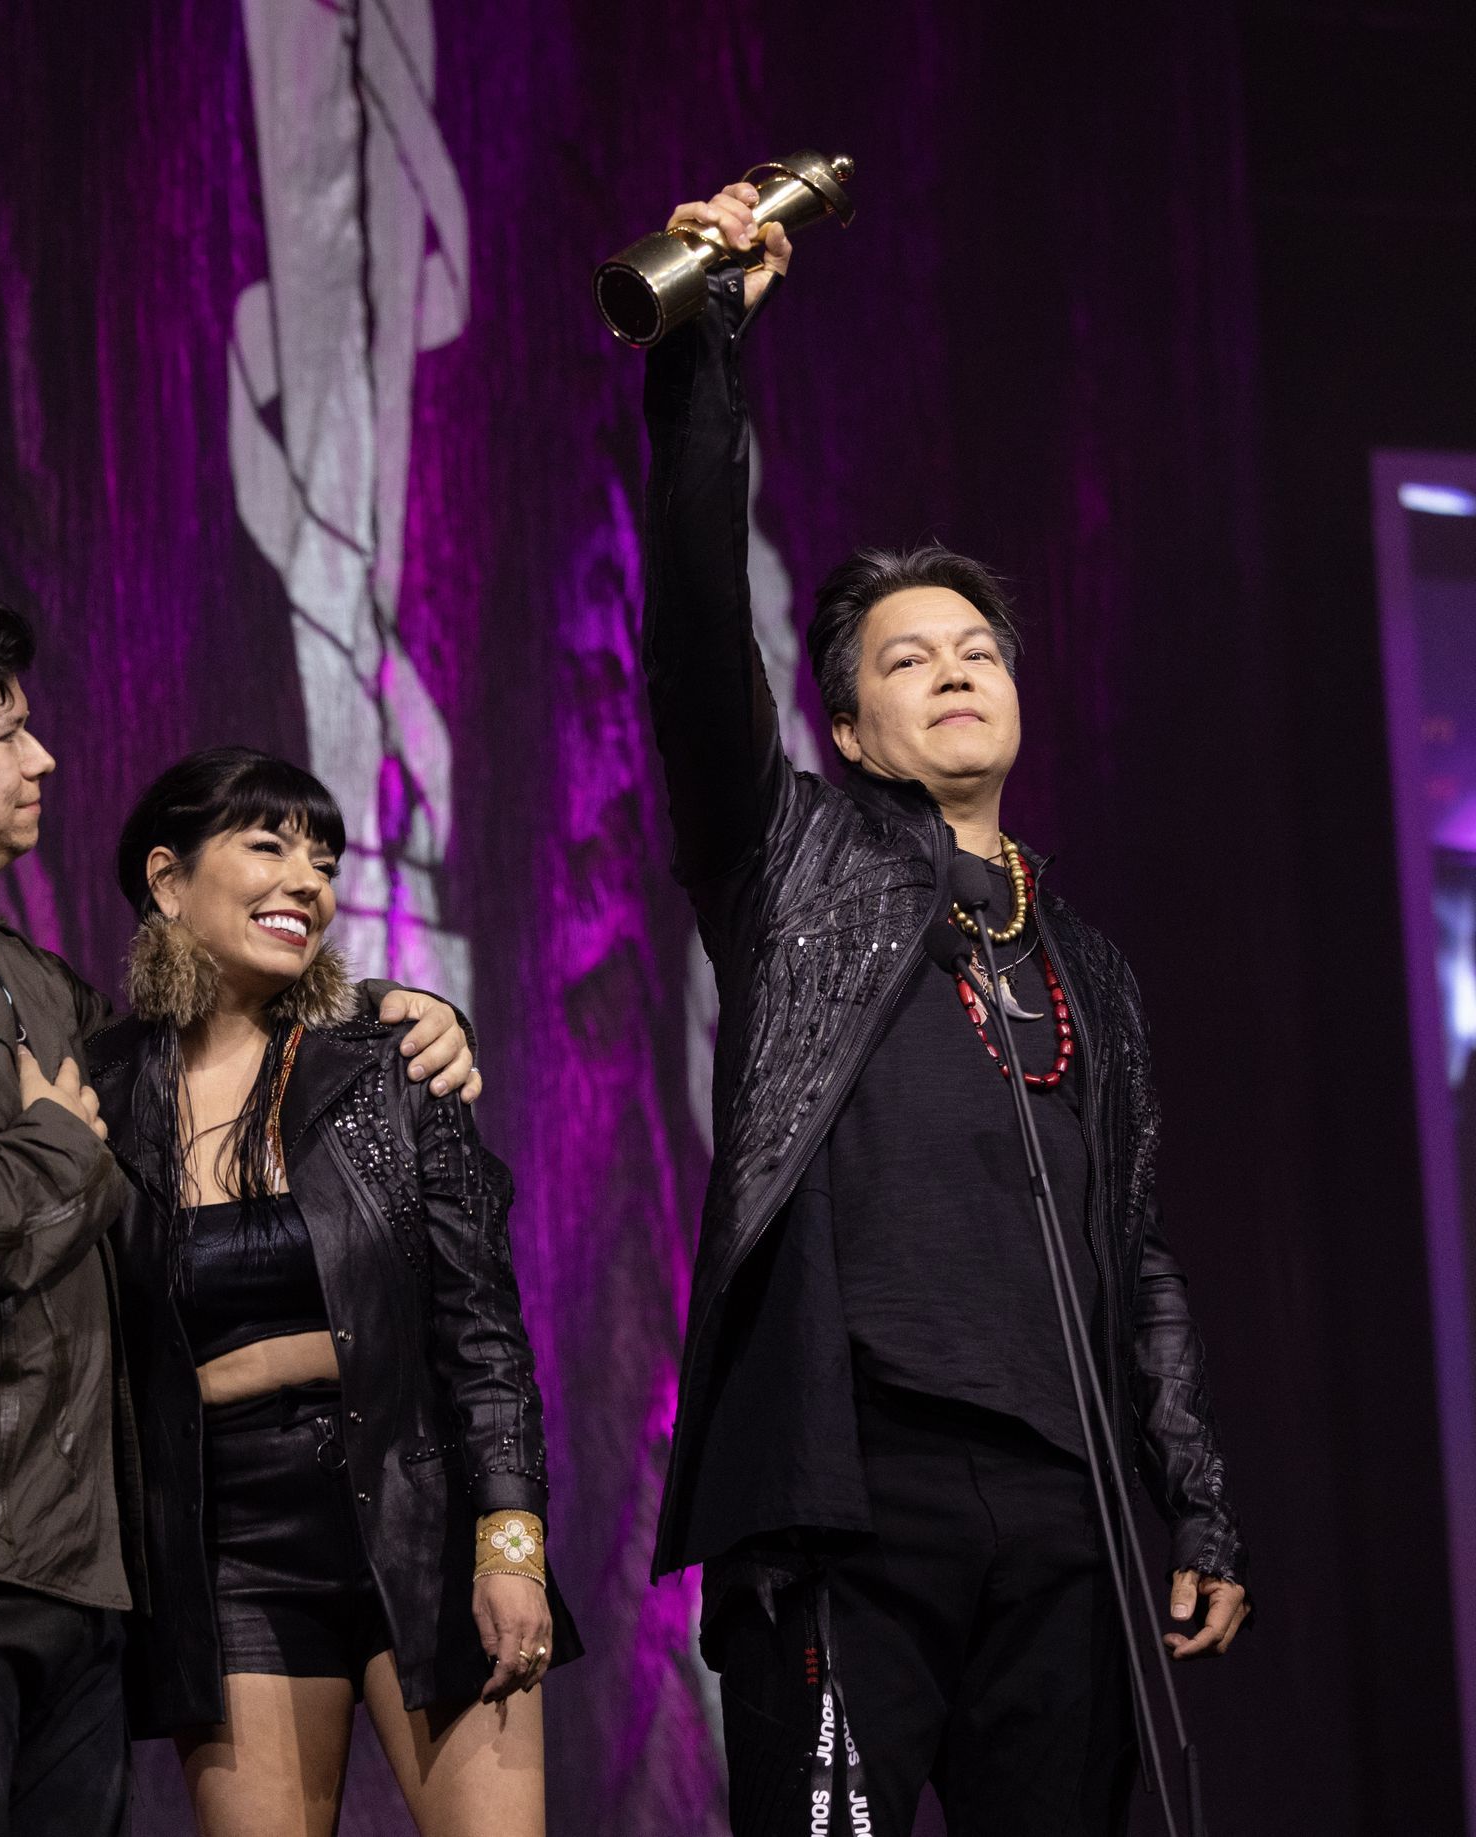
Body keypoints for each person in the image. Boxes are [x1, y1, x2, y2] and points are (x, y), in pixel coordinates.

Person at [634, 187, 1250, 1836]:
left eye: (979, 646)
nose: (958, 668)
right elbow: (696, 623)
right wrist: (706, 347)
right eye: (910, 659)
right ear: (845, 724)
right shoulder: (792, 862)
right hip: (855, 1490)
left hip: (1072, 1506)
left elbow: (1142, 1244)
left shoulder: (1087, 962)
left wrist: (1187, 1495)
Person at [0, 590, 481, 1836]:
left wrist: (391, 1013)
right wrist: (62, 1142)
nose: (42, 756)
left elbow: (202, 1030)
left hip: (64, 1564)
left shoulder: (27, 985)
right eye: (6, 731)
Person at [89, 746, 579, 1837]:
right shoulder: (106, 1087)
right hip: (228, 1546)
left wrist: (510, 1542)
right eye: (268, 845)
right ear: (168, 879)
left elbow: (482, 1329)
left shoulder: (391, 1058)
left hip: (418, 1508)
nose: (306, 879)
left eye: (322, 857)